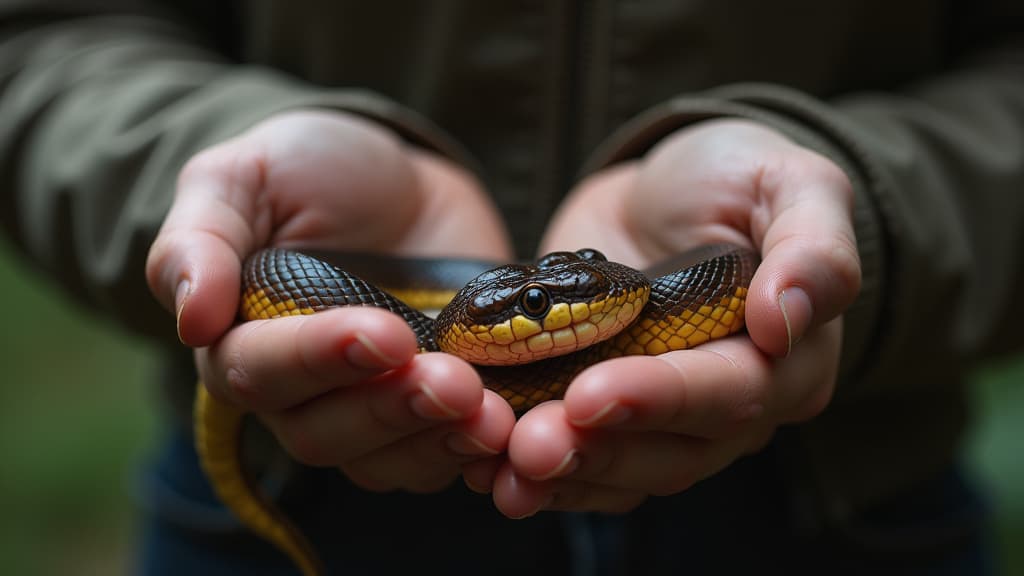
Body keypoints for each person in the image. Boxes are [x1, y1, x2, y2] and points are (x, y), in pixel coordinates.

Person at [2, 1, 1022, 574]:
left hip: (848, 523)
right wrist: (203, 173)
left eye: (575, 297)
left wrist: (867, 218)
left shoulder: (685, 286)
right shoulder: (379, 318)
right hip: (282, 512)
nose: (588, 308)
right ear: (477, 323)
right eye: (541, 309)